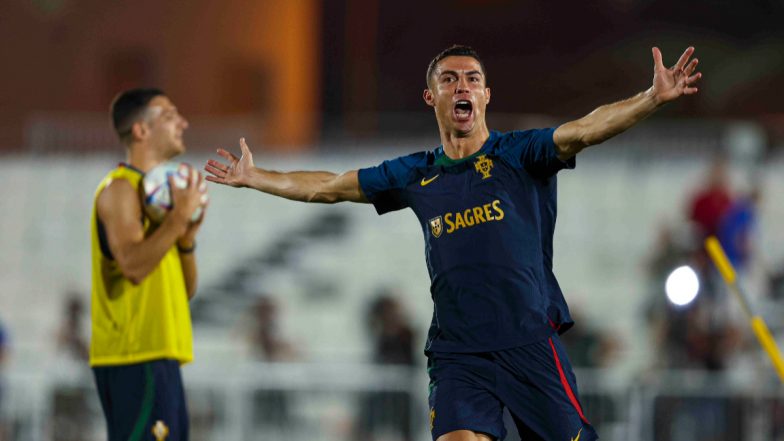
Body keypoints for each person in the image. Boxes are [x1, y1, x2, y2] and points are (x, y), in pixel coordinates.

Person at [205, 45, 701, 441]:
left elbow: (584, 130)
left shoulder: (519, 154)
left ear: (486, 95)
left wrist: (650, 99)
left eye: (472, 79)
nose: (462, 86)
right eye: (449, 79)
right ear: (431, 97)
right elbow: (329, 186)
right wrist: (257, 177)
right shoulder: (415, 173)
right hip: (459, 352)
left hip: (528, 339)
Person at [90, 88, 208, 441]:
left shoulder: (159, 200)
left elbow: (184, 292)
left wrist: (185, 240)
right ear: (141, 130)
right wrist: (176, 222)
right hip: (134, 356)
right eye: (170, 115)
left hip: (161, 357)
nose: (183, 122)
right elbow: (132, 266)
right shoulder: (121, 189)